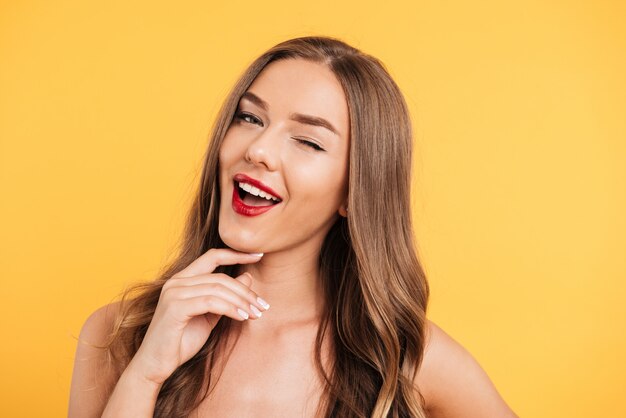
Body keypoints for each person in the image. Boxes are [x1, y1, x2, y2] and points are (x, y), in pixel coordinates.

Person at [68, 36, 517, 418]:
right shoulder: (119, 334)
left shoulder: (406, 358)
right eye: (249, 118)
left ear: (352, 191)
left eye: (307, 140)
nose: (259, 149)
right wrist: (145, 372)